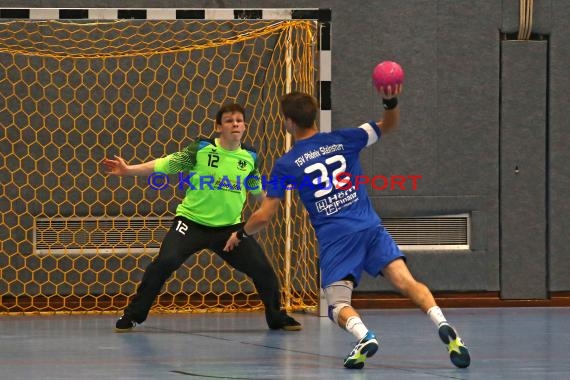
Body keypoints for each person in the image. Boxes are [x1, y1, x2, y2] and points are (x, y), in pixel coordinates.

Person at [224, 89, 470, 369]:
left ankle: (363, 336)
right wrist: (390, 101)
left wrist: (241, 233)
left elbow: (264, 216)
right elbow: (388, 124)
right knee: (407, 283)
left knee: (337, 305)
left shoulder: (287, 164)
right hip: (370, 227)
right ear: (313, 117)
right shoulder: (345, 138)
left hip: (337, 239)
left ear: (290, 122)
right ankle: (443, 322)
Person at [102, 103, 301, 333]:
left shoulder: (249, 158)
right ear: (218, 127)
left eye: (239, 120)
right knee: (164, 263)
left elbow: (257, 192)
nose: (235, 123)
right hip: (190, 223)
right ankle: (134, 315)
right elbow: (164, 164)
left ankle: (276, 318)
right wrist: (128, 170)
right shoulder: (201, 150)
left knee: (263, 270)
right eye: (229, 120)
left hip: (230, 231)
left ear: (244, 126)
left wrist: (272, 199)